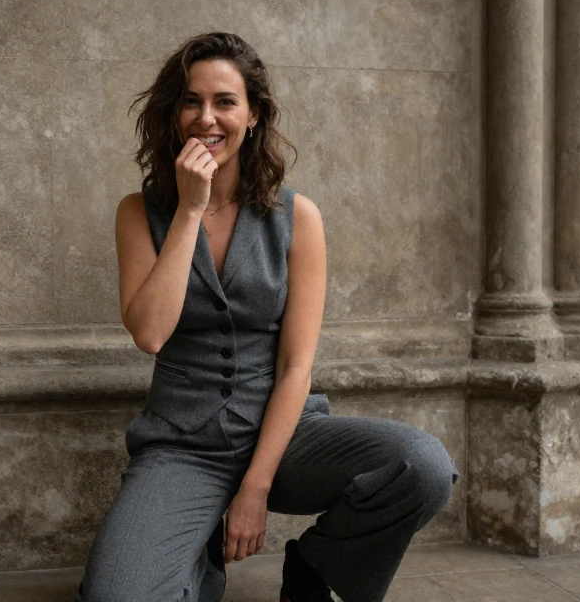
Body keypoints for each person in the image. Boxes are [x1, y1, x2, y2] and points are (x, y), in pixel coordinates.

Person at [75, 32, 458, 602]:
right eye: (190, 101)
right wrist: (190, 208)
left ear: (253, 115)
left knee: (422, 466)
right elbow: (151, 333)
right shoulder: (140, 212)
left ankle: (317, 567)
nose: (206, 117)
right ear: (172, 114)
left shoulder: (298, 218)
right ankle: (196, 555)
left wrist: (254, 489)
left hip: (286, 437)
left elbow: (296, 366)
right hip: (183, 444)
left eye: (225, 101)